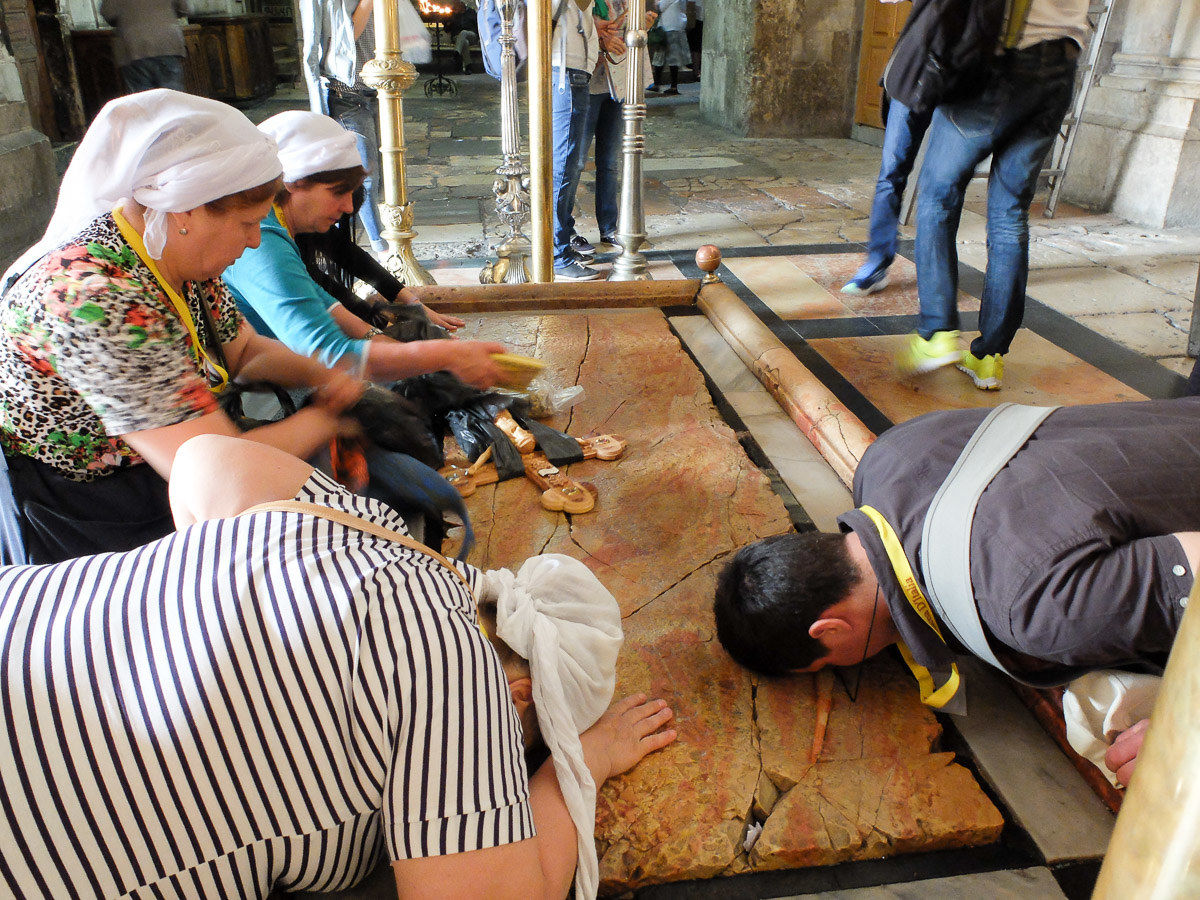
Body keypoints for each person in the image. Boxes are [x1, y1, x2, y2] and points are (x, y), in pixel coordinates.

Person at [0, 433, 678, 899]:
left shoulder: (362, 527)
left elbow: (206, 459)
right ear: (520, 694)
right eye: (524, 747)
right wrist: (576, 768)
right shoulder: (459, 678)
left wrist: (219, 630)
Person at [714, 397, 1200, 785]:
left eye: (828, 662)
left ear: (830, 629)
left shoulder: (1036, 613)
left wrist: (1189, 735)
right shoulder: (888, 454)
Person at [0, 90, 365, 566]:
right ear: (186, 210)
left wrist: (328, 376)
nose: (256, 241)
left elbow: (246, 351)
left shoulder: (175, 259)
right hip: (87, 511)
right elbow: (216, 465)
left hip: (162, 473)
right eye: (247, 224)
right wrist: (331, 418)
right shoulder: (93, 297)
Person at [223, 111, 504, 388]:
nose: (348, 207)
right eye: (337, 192)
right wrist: (448, 355)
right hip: (265, 393)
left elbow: (323, 300)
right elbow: (328, 354)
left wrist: (383, 338)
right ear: (294, 183)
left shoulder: (277, 224)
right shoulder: (263, 244)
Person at [899, 0, 1089, 390]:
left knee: (937, 193)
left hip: (1003, 61)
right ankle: (990, 357)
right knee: (1010, 212)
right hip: (1060, 67)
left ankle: (937, 333)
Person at [299, 0, 389, 254]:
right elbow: (325, 47)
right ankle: (381, 250)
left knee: (382, 173)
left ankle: (379, 244)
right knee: (365, 176)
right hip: (344, 93)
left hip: (379, 90)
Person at [570, 1, 656, 255]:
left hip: (618, 79)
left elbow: (627, 26)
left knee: (610, 162)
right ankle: (565, 231)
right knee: (573, 161)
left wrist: (642, 26)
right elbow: (566, 23)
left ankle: (609, 227)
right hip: (584, 78)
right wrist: (598, 36)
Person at [550, 0, 602, 281]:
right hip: (563, 71)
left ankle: (564, 235)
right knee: (564, 166)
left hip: (576, 71)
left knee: (572, 163)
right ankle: (557, 254)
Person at [100, 0, 189, 93]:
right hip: (166, 44)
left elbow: (108, 13)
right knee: (172, 96)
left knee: (142, 99)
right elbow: (184, 9)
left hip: (134, 46)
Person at [650, 0, 688, 96]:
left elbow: (660, 6)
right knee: (672, 59)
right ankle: (671, 85)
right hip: (675, 27)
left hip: (668, 28)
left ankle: (659, 84)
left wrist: (657, 3)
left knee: (661, 57)